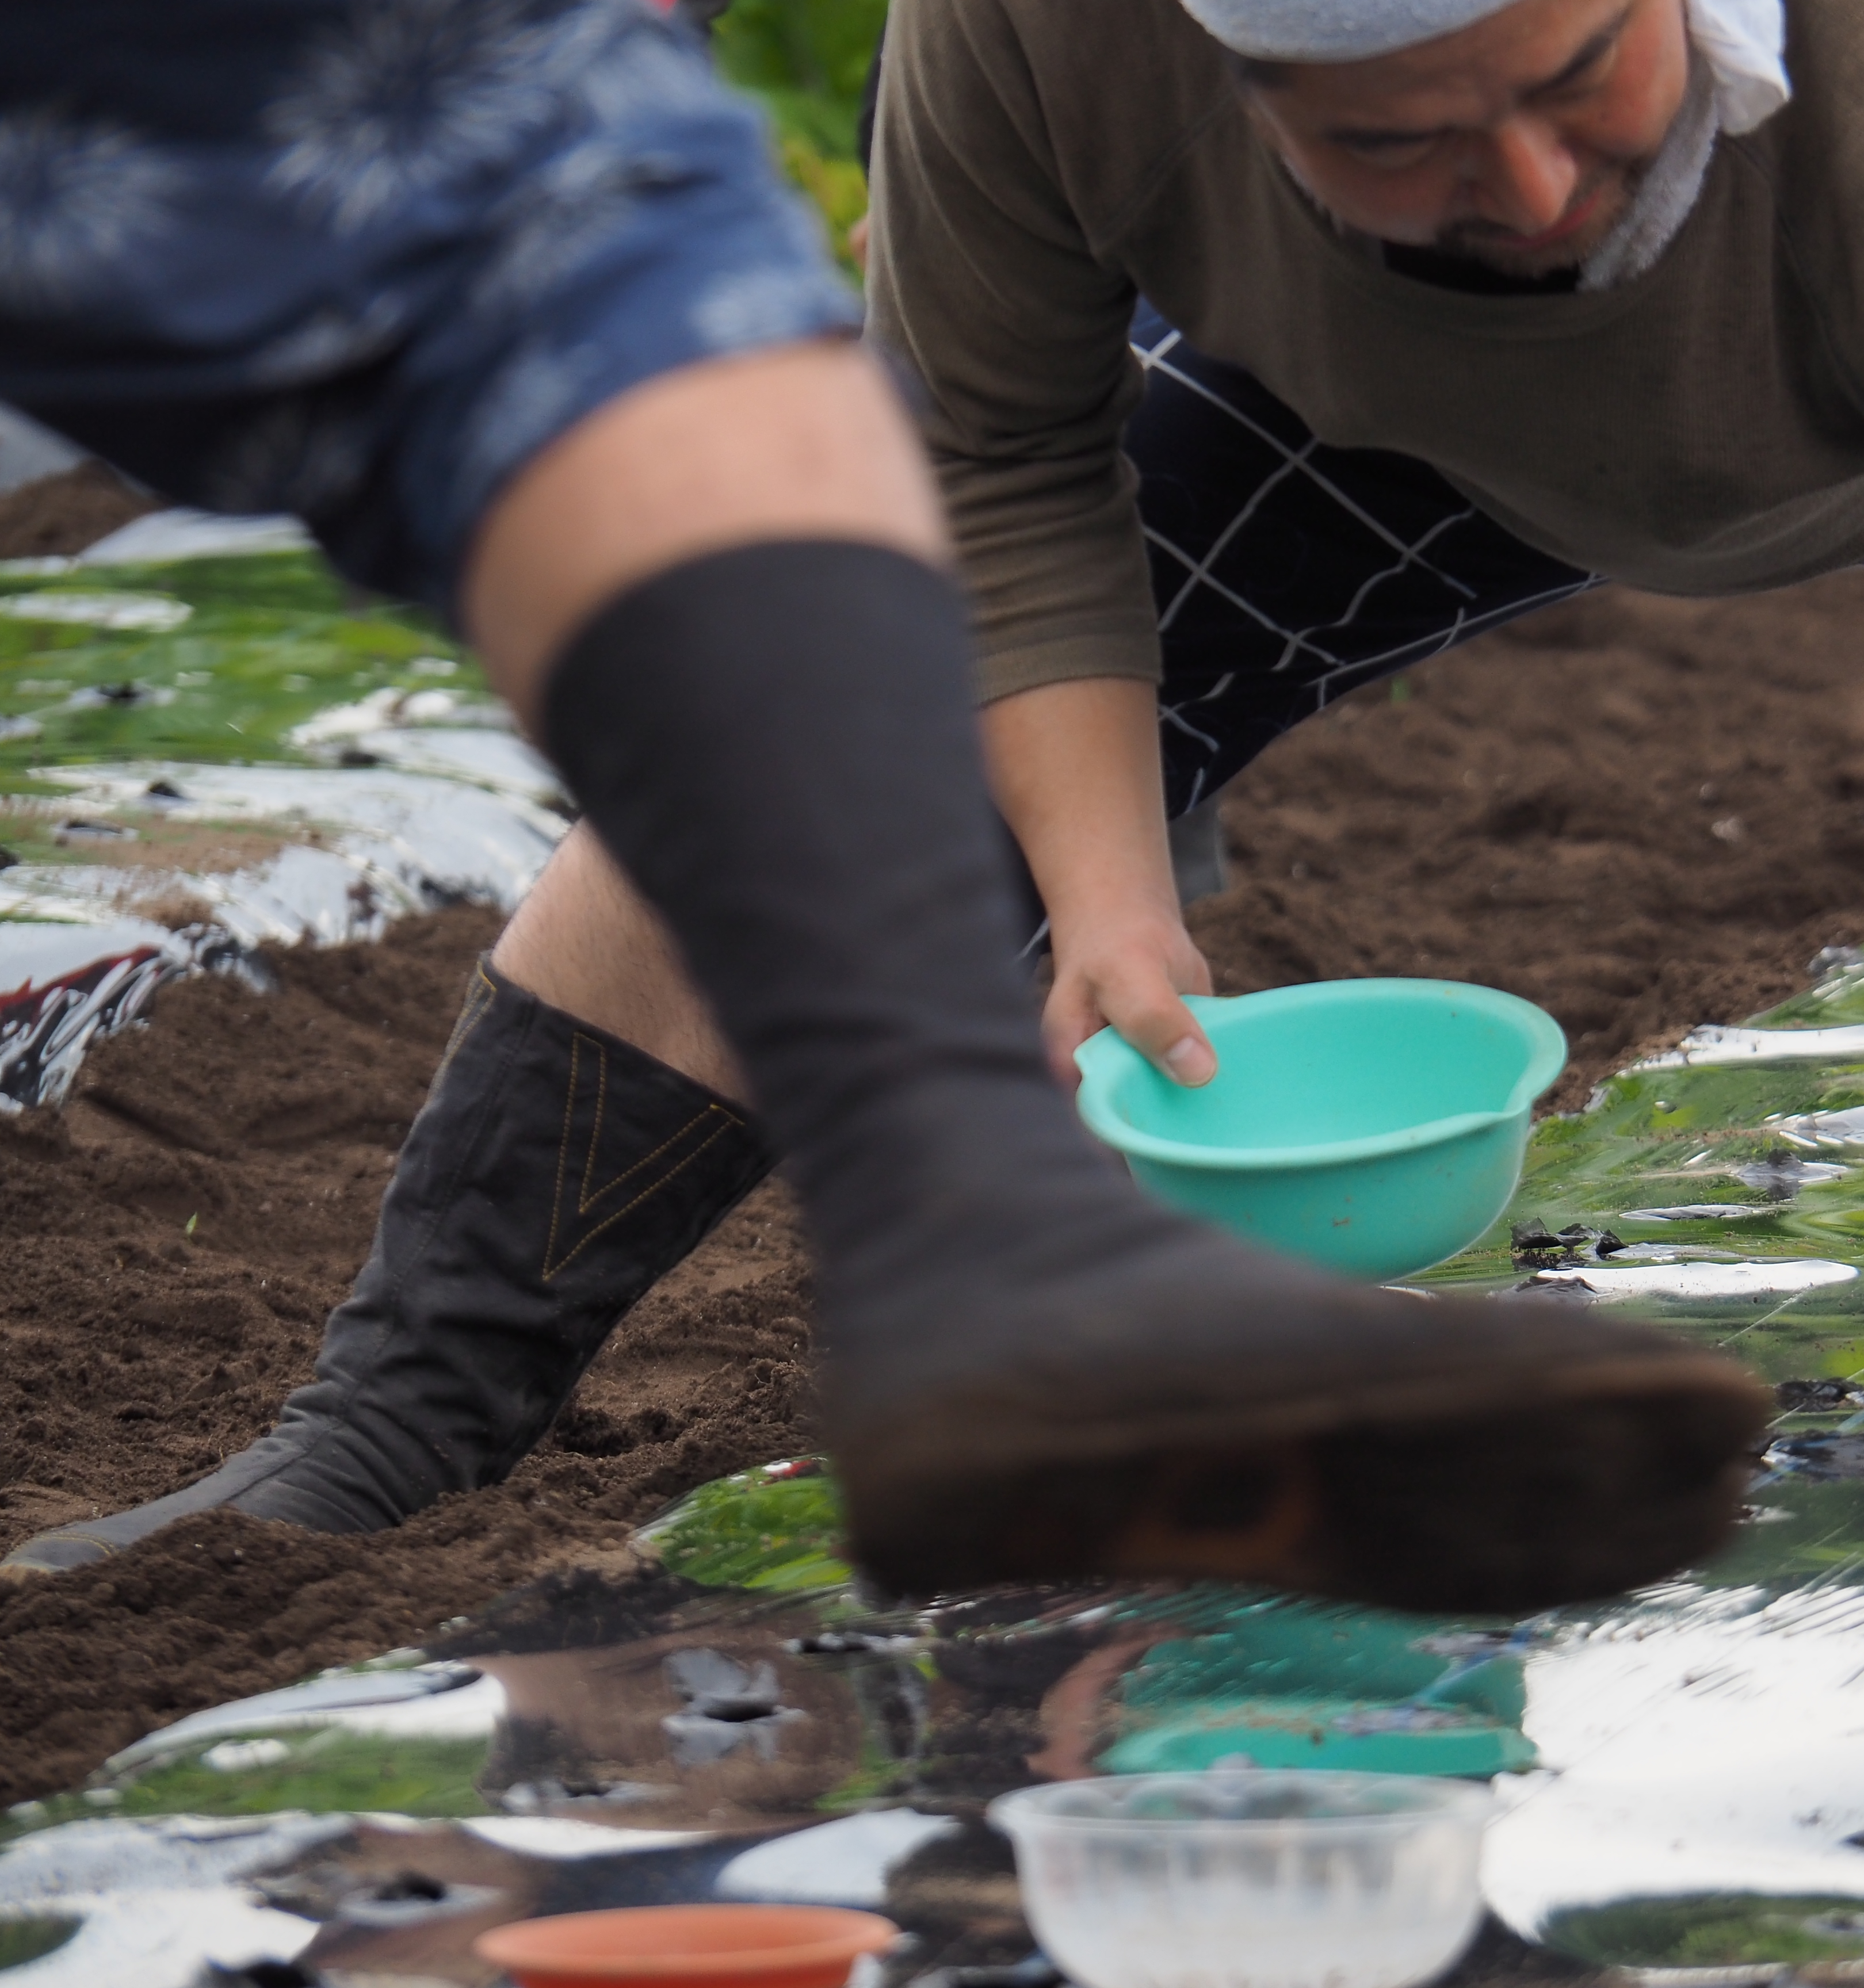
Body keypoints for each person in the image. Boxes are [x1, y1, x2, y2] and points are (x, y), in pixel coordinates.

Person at [0, 0, 1773, 1608]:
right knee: (544, 205)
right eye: (1398, 126)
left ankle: (974, 1235)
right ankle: (448, 1401)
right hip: (1296, 374)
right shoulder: (1044, 54)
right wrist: (1102, 897)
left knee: (546, 198)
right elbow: (996, 452)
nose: (1528, 175)